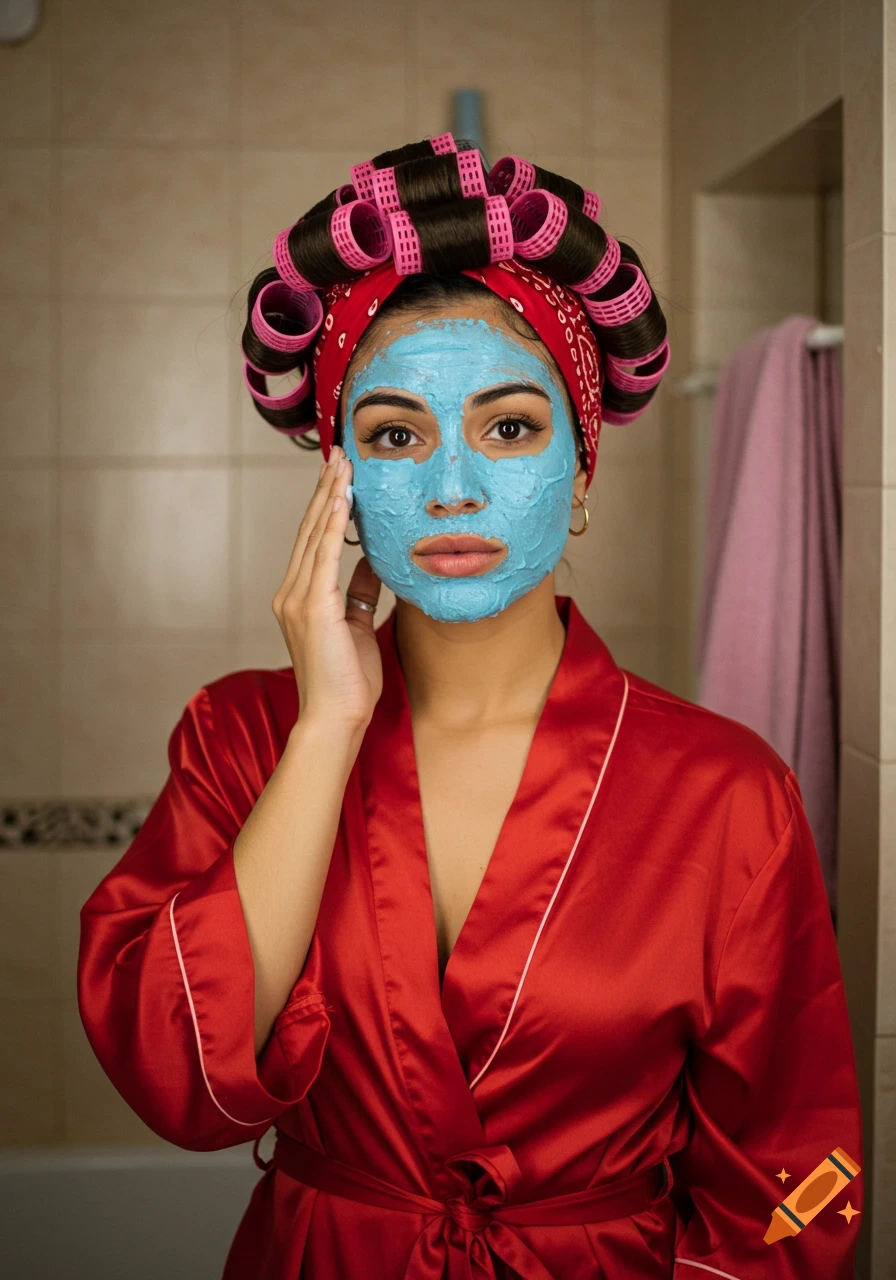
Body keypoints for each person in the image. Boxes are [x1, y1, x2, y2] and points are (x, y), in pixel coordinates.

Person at [78, 136, 863, 1279]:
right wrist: (325, 728)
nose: (451, 485)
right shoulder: (240, 735)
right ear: (338, 475)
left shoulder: (727, 790)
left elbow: (790, 1169)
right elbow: (171, 1077)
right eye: (395, 434)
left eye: (509, 427)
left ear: (582, 469)